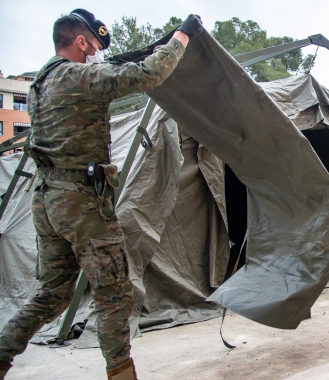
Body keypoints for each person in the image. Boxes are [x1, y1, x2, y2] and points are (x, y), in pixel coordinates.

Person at [0, 9, 203, 380]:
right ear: (80, 42)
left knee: (53, 294)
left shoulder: (39, 85)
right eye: (94, 46)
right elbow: (148, 74)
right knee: (113, 294)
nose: (96, 54)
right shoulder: (77, 76)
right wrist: (182, 36)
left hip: (46, 199)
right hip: (80, 203)